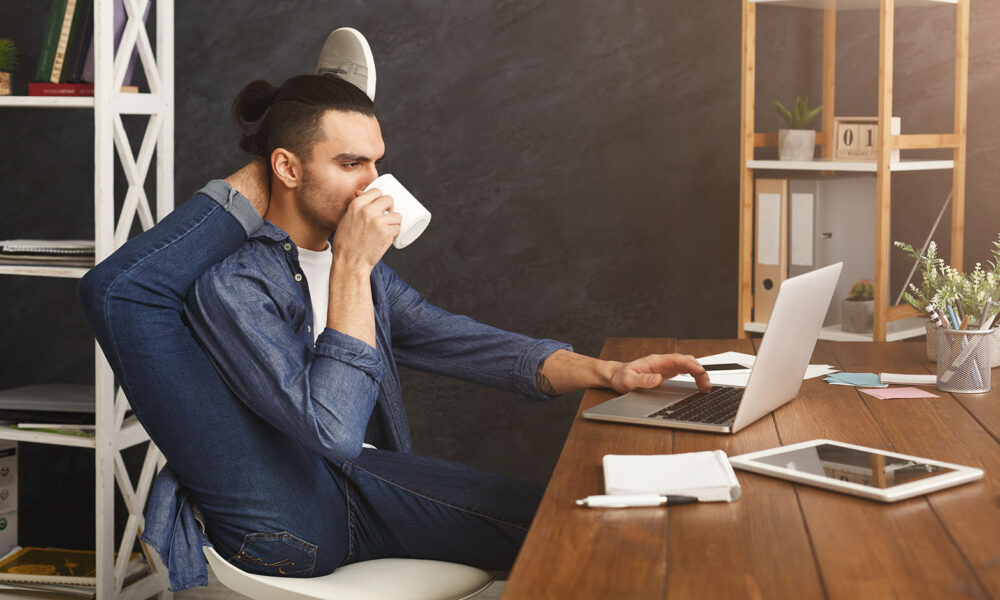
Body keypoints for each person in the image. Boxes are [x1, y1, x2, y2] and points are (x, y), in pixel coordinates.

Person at [79, 30, 710, 592]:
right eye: (351, 163)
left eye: (377, 163)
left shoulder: (364, 275)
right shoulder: (238, 284)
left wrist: (606, 374)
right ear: (286, 168)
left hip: (358, 484)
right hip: (296, 525)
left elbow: (466, 342)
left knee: (568, 518)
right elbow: (331, 428)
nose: (373, 185)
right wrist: (351, 265)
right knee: (560, 528)